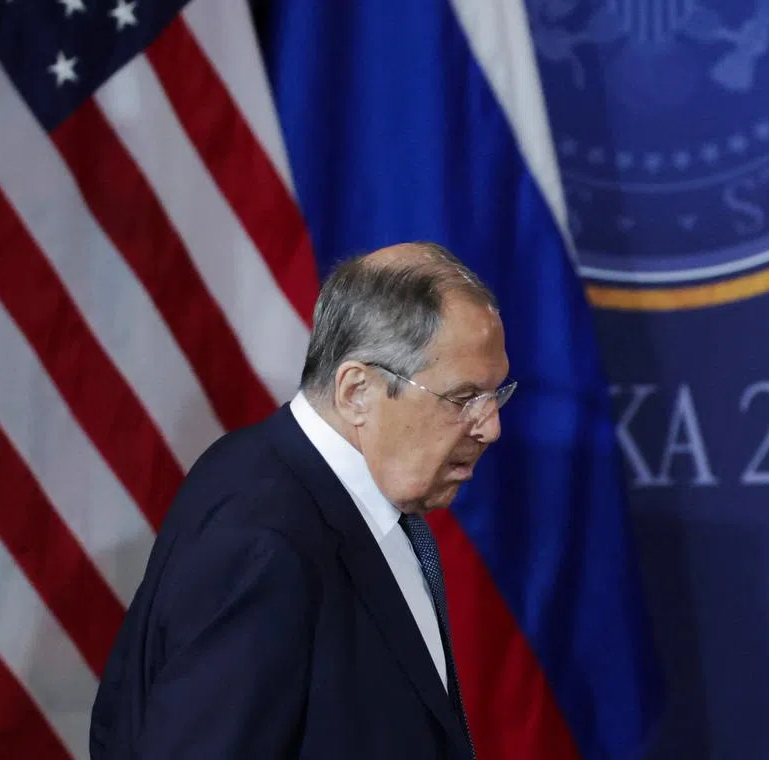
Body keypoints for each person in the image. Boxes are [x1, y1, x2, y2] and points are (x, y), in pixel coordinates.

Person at [90, 242, 517, 759]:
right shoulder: (262, 541)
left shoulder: (296, 476)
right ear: (357, 391)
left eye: (496, 394)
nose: (490, 426)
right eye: (462, 398)